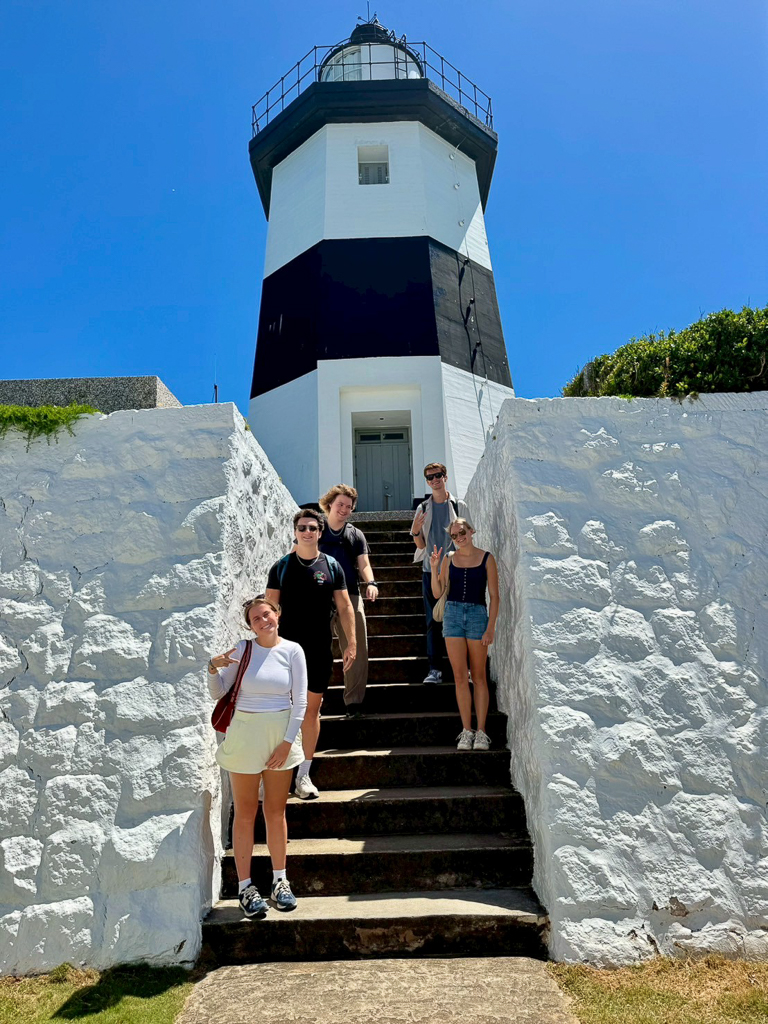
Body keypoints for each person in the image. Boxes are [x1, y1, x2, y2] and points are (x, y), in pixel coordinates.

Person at [207, 597, 307, 917]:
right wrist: (212, 668)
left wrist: (287, 743)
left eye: (267, 614)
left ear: (277, 614)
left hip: (279, 736)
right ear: (250, 626)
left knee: (275, 812)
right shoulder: (243, 649)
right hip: (244, 736)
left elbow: (300, 701)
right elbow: (218, 691)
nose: (263, 621)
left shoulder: (293, 650)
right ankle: (245, 888)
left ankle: (280, 881)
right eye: (255, 619)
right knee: (246, 812)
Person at [265, 508, 356, 799]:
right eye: (302, 528)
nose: (307, 532)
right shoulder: (281, 567)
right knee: (281, 709)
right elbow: (269, 609)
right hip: (284, 651)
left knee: (311, 711)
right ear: (295, 532)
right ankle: (275, 772)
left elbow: (345, 607)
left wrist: (351, 643)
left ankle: (303, 775)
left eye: (312, 528)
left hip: (318, 650)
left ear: (320, 532)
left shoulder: (332, 566)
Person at [430, 519, 499, 750]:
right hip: (452, 616)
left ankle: (481, 732)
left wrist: (490, 628)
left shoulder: (487, 558)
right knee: (460, 677)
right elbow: (437, 592)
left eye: (462, 532)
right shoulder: (449, 559)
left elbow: (495, 597)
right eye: (454, 536)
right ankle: (466, 731)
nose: (459, 538)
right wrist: (434, 567)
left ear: (471, 531)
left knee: (478, 676)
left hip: (478, 615)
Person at [411, 463, 474, 684]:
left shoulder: (458, 505)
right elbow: (420, 544)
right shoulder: (422, 509)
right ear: (427, 481)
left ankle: (465, 670)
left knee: (460, 619)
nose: (435, 480)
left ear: (445, 477)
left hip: (456, 569)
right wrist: (415, 531)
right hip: (431, 570)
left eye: (438, 475)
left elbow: (468, 537)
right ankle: (435, 669)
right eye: (430, 477)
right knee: (432, 622)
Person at [318, 484, 377, 718]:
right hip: (319, 596)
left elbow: (364, 564)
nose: (344, 509)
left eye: (349, 506)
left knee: (356, 648)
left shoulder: (355, 534)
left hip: (350, 594)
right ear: (329, 504)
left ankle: (353, 703)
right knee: (315, 649)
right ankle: (313, 701)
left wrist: (371, 583)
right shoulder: (316, 529)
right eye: (340, 504)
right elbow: (297, 556)